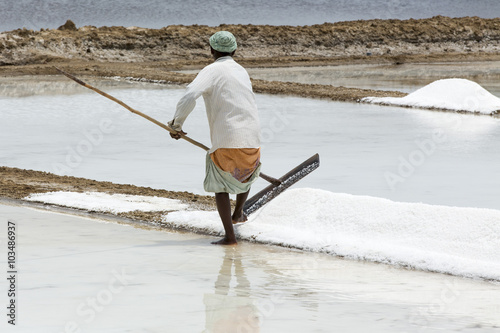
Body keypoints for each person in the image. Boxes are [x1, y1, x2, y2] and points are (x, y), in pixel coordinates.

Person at [168, 31, 261, 245]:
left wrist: (176, 125)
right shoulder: (241, 71)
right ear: (235, 50)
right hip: (253, 136)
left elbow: (190, 94)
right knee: (244, 175)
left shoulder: (212, 70)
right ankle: (238, 213)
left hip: (227, 139)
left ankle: (230, 237)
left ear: (211, 50)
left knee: (220, 186)